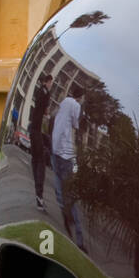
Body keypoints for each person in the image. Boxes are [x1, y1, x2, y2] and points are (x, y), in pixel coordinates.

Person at [50, 84, 86, 249]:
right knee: (70, 191)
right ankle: (79, 240)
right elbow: (77, 125)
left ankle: (63, 209)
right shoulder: (76, 105)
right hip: (65, 152)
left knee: (58, 184)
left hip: (55, 149)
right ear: (81, 97)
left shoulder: (64, 101)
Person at [28, 75, 54, 209]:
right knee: (41, 161)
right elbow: (46, 111)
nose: (51, 85)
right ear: (47, 82)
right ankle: (39, 195)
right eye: (51, 82)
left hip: (33, 128)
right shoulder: (46, 92)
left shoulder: (39, 91)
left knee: (35, 159)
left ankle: (37, 191)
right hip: (38, 130)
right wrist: (48, 115)